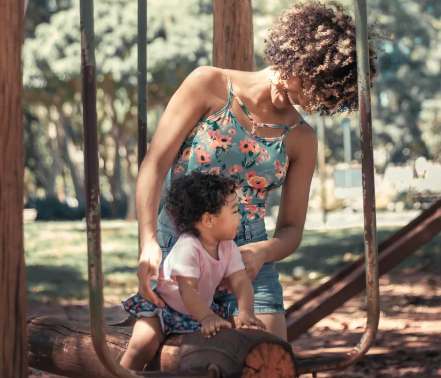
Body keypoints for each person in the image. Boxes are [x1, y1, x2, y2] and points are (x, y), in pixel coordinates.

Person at [135, 1, 379, 341]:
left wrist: (263, 252)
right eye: (307, 81)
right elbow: (154, 165)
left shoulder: (302, 139)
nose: (305, 97)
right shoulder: (209, 84)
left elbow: (292, 228)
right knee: (165, 360)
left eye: (320, 94)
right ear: (297, 54)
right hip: (179, 243)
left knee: (269, 363)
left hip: (248, 256)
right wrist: (148, 242)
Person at [118, 172, 266, 378]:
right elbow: (188, 291)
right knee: (142, 344)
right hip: (165, 309)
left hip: (197, 312)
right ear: (208, 220)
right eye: (235, 210)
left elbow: (241, 281)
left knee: (224, 346)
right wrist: (207, 316)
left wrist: (246, 311)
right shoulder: (189, 248)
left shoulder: (228, 246)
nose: (240, 217)